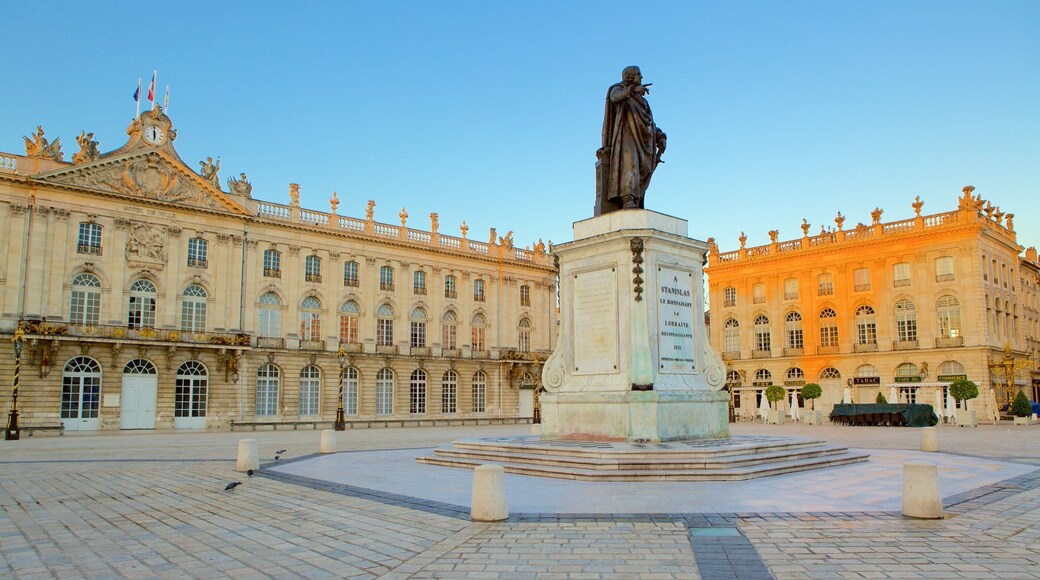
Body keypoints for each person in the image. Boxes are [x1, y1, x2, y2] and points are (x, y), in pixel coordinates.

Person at [596, 66, 667, 215]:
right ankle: (628, 198)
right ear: (629, 76)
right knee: (629, 165)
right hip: (626, 137)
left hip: (644, 140)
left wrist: (660, 135)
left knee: (642, 168)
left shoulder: (643, 102)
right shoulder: (617, 89)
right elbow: (615, 97)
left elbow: (649, 122)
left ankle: (636, 197)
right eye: (638, 75)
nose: (641, 78)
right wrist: (631, 91)